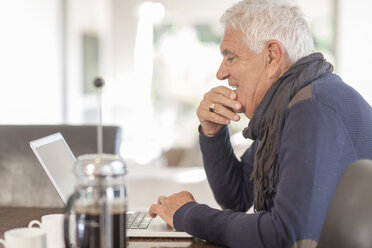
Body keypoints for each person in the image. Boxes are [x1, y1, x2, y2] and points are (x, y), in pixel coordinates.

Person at [149, 0, 372, 247]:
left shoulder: (311, 109)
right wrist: (213, 134)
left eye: (230, 57)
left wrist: (188, 214)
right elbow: (238, 196)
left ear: (272, 56)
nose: (221, 73)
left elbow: (285, 235)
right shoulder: (288, 104)